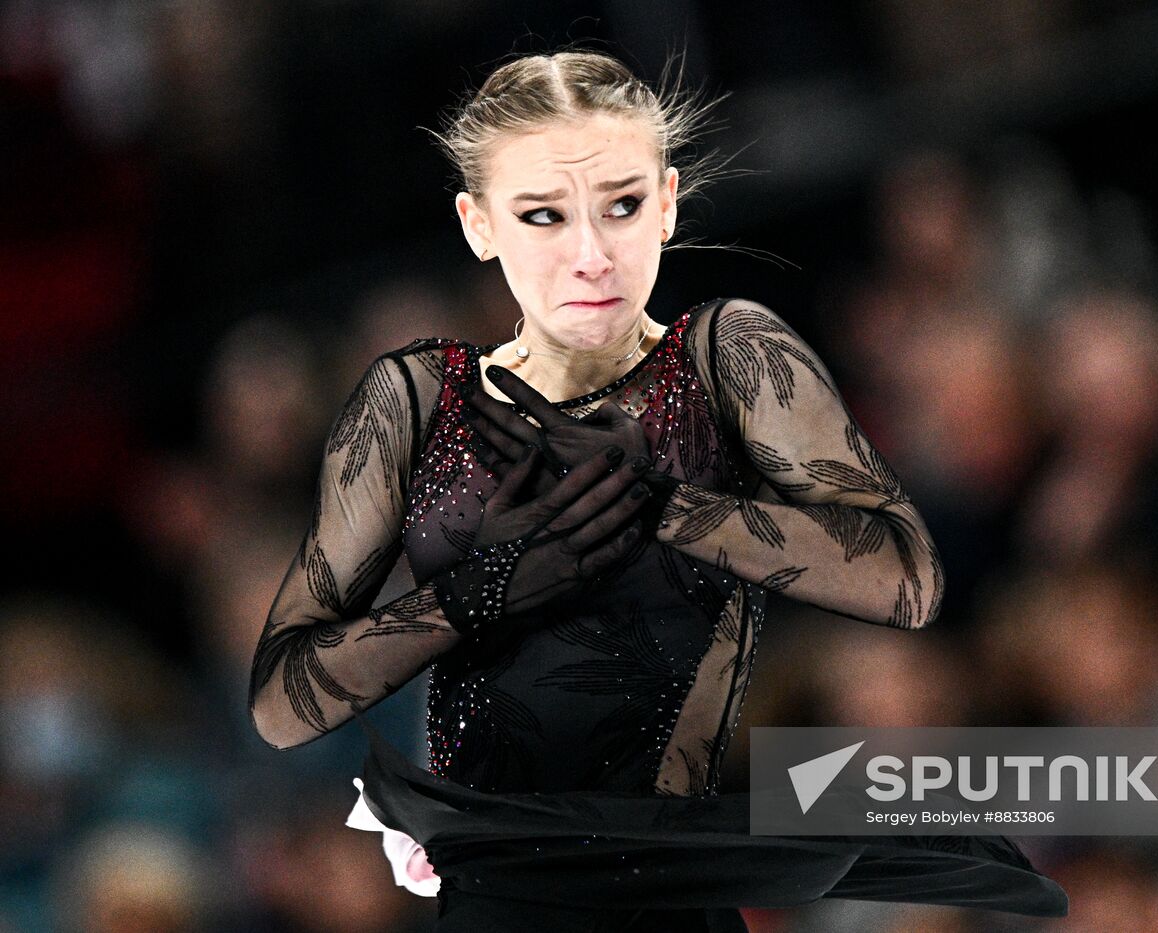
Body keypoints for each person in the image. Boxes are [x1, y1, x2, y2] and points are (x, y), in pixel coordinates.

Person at [248, 49, 1067, 932]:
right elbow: (284, 700)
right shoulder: (413, 399)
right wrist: (487, 591)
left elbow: (906, 577)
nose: (591, 255)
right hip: (498, 893)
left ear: (668, 203)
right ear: (478, 224)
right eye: (542, 216)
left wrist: (664, 507)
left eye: (623, 206)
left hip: (672, 885)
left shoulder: (727, 358)